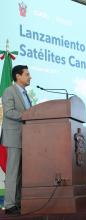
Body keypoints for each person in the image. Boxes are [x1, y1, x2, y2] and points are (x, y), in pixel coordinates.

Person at [2, 65, 32, 215]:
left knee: (21, 173)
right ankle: (9, 205)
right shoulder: (9, 91)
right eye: (27, 74)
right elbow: (8, 112)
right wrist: (27, 116)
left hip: (26, 138)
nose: (30, 77)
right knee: (13, 172)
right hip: (14, 137)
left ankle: (18, 201)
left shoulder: (26, 93)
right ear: (18, 76)